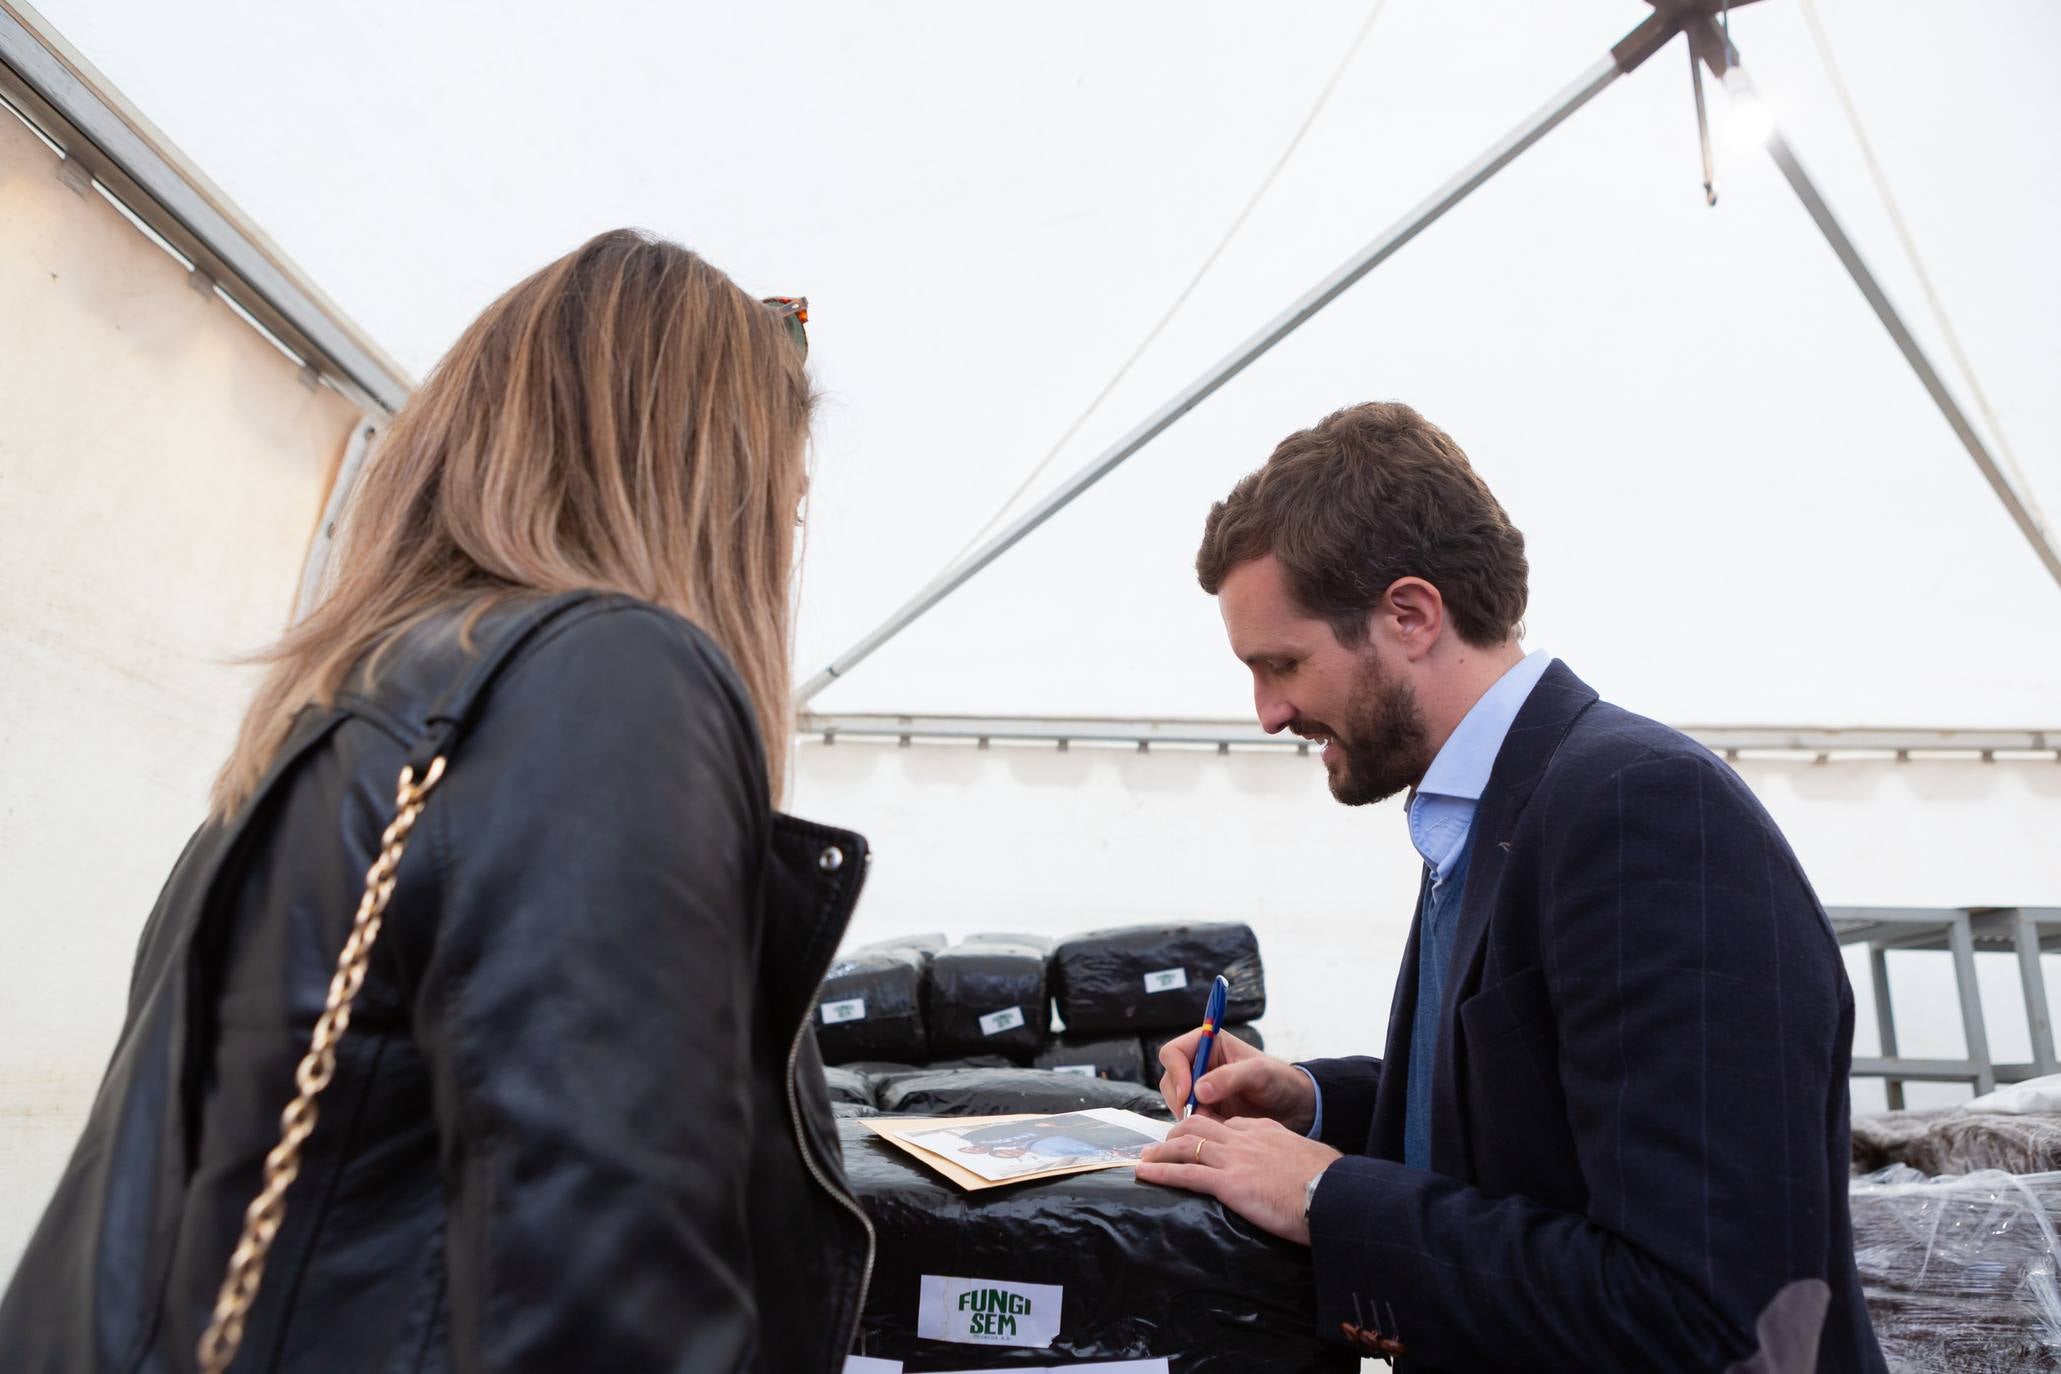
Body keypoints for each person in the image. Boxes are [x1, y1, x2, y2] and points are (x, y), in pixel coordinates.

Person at [0, 231, 874, 1372]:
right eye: (783, 502)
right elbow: (605, 1310)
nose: (781, 546)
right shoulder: (608, 679)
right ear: (702, 477)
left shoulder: (337, 718)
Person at [1138, 402, 1883, 1373]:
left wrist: (1328, 1197)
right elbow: (1539, 1131)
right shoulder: (1496, 812)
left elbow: (1709, 1313)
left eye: (1284, 664)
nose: (1270, 712)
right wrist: (1314, 1105)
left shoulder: (1645, 813)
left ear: (1410, 615)